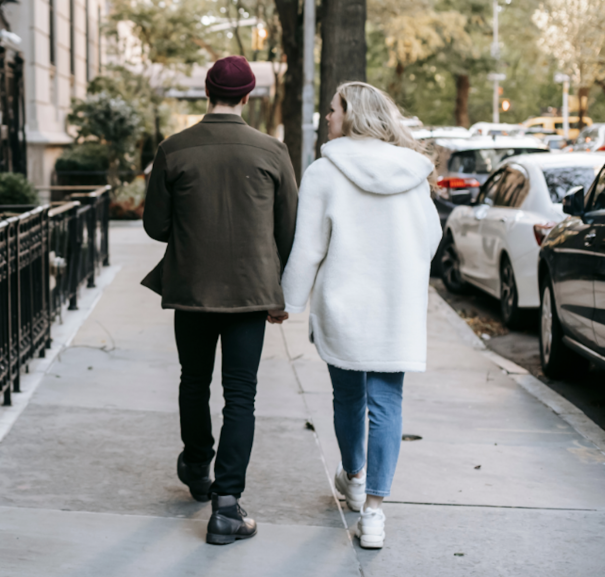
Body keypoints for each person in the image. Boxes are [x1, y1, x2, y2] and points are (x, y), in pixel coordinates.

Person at [142, 55, 299, 546]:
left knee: (194, 380)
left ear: (208, 93)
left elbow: (155, 226)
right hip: (250, 293)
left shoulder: (174, 149)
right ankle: (226, 506)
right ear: (248, 96)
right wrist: (276, 289)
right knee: (241, 396)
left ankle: (195, 463)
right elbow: (287, 230)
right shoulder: (273, 151)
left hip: (191, 288)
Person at [281, 82, 441, 549]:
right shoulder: (412, 171)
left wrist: (288, 303)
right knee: (387, 404)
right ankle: (374, 513)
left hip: (343, 306)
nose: (326, 117)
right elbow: (430, 240)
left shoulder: (324, 171)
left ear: (351, 115)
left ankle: (353, 476)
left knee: (348, 398)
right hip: (397, 306)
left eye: (332, 110)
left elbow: (308, 248)